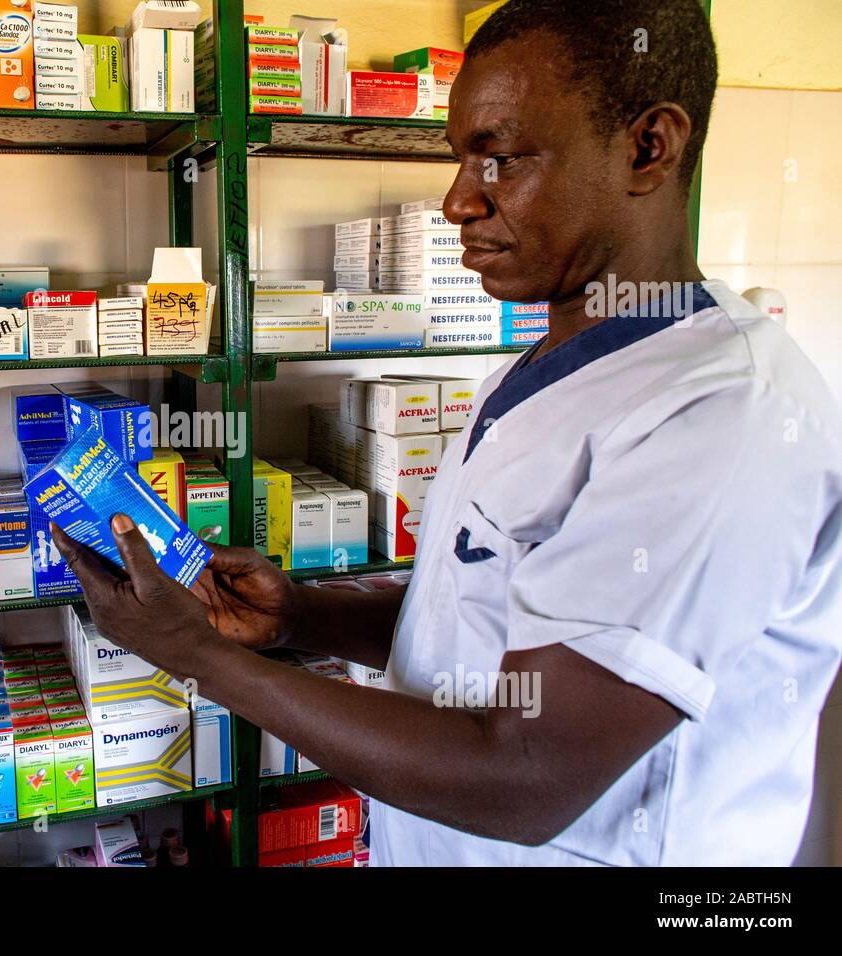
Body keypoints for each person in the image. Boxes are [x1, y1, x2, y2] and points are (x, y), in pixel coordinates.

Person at [51, 0, 842, 866]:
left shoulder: (718, 416)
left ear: (648, 147)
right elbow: (490, 616)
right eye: (461, 158)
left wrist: (196, 656)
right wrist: (305, 619)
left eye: (500, 159)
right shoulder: (547, 365)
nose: (458, 201)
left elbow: (527, 773)